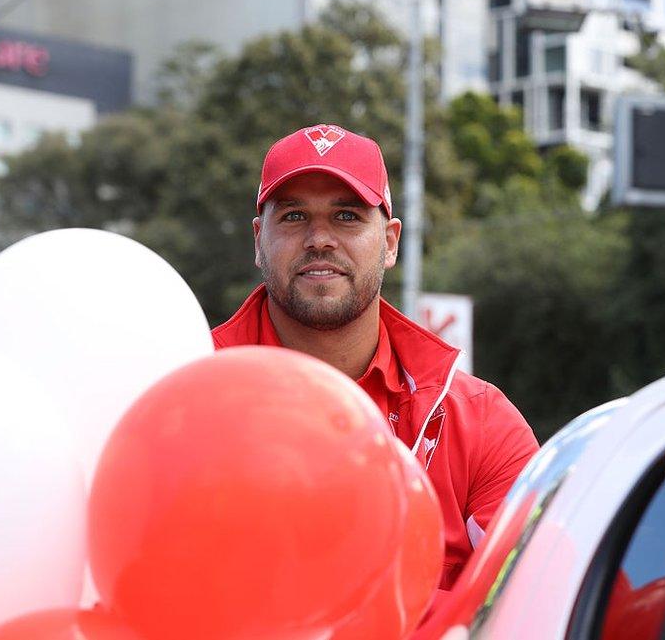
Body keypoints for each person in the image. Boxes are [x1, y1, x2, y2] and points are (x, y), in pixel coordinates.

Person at [212, 124, 539, 592]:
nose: (319, 238)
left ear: (389, 242)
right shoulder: (187, 395)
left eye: (346, 216)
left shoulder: (481, 424)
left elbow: (533, 602)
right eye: (294, 216)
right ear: (258, 240)